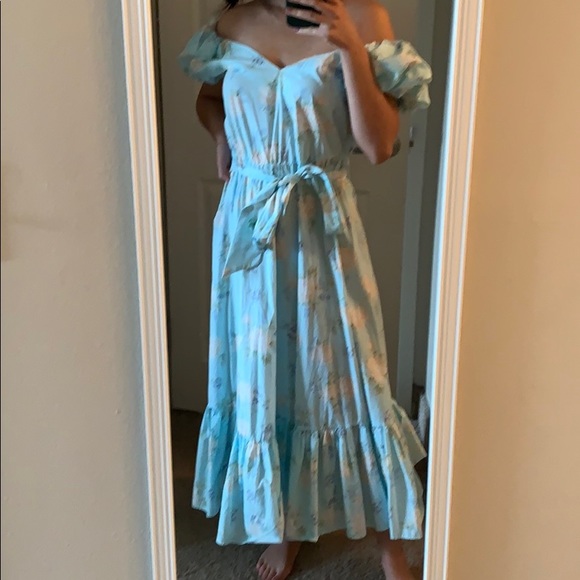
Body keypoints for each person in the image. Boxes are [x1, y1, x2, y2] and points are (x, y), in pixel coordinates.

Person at [179, 1, 432, 578]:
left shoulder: (361, 17)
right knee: (270, 382)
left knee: (355, 382)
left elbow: (379, 145)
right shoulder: (233, 21)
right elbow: (209, 98)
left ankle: (391, 547)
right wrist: (223, 136)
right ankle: (285, 528)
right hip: (249, 227)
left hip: (323, 229)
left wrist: (350, 49)